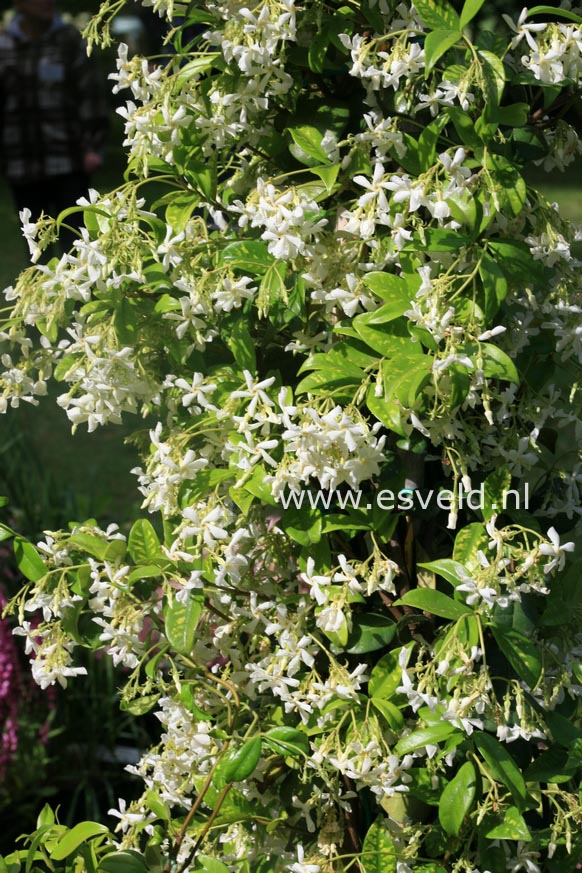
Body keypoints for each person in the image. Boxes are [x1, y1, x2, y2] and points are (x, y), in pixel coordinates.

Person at [0, 0, 108, 249]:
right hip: (21, 163)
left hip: (68, 161)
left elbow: (90, 95)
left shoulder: (70, 40)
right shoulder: (4, 44)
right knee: (37, 245)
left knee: (77, 244)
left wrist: (93, 145)